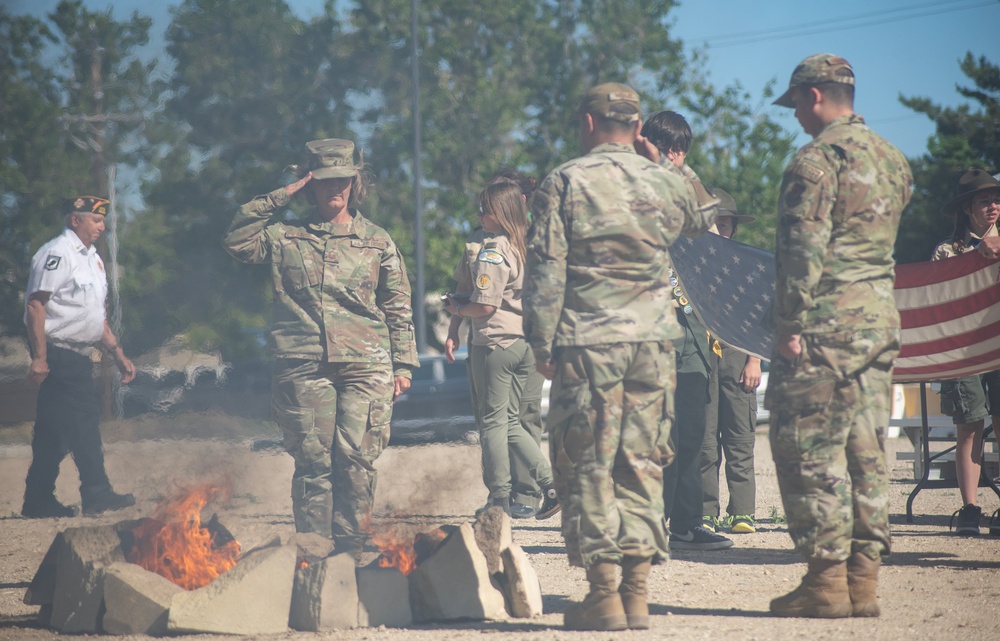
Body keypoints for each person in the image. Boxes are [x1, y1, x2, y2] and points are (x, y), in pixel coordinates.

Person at [524, 83, 717, 631]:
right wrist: (668, 165)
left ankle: (603, 594)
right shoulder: (663, 181)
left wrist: (542, 343)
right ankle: (636, 594)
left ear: (588, 123)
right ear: (637, 129)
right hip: (655, 346)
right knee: (641, 460)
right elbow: (704, 218)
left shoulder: (564, 181)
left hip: (588, 343)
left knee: (590, 462)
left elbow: (545, 270)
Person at [766, 54, 912, 618]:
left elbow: (802, 253)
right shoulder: (893, 159)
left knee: (808, 449)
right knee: (866, 450)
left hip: (825, 327)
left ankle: (825, 582)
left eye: (797, 103)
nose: (797, 116)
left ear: (816, 95)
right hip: (878, 321)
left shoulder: (816, 161)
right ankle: (864, 583)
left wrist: (787, 326)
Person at [223, 139, 417, 559]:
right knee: (313, 463)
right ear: (309, 185)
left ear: (355, 182)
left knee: (356, 457)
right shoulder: (284, 236)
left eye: (344, 180)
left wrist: (403, 363)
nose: (336, 189)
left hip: (367, 362)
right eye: (325, 181)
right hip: (303, 363)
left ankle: (353, 549)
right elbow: (237, 240)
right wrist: (282, 195)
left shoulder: (377, 241)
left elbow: (397, 304)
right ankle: (314, 552)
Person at [640, 110, 734, 552]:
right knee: (653, 432)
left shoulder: (690, 192)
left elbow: (710, 235)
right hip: (649, 327)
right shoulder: (633, 188)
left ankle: (687, 523)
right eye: (668, 147)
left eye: (682, 150)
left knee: (694, 431)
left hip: (692, 326)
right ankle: (648, 522)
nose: (675, 157)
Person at [444, 180, 559, 519]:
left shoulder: (492, 251)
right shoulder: (524, 245)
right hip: (524, 344)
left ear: (504, 211)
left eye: (486, 208)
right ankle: (550, 484)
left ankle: (499, 498)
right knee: (512, 423)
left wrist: (457, 312)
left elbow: (484, 307)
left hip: (495, 344)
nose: (480, 214)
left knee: (493, 423)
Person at [21, 196, 137, 518]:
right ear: (76, 220)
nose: (102, 226)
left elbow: (93, 318)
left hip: (79, 353)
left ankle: (38, 499)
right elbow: (36, 305)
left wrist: (117, 353)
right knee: (85, 419)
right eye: (95, 220)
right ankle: (97, 492)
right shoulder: (57, 253)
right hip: (59, 353)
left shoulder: (93, 259)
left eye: (103, 221)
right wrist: (40, 357)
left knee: (53, 429)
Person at [930, 168, 1000, 536]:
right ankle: (971, 508)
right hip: (965, 350)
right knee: (969, 428)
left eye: (996, 199)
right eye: (984, 200)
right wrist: (976, 255)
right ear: (967, 209)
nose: (993, 206)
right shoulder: (948, 250)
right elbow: (940, 299)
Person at [698, 188, 762, 535]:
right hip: (701, 357)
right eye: (711, 224)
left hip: (738, 357)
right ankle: (706, 512)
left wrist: (755, 361)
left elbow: (759, 318)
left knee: (739, 439)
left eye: (724, 224)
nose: (719, 231)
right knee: (704, 443)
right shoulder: (690, 265)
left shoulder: (745, 265)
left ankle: (743, 513)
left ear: (734, 228)